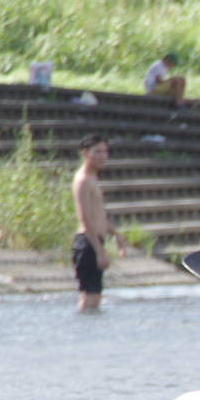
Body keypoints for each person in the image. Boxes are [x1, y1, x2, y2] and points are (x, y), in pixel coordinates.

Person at [70, 134, 125, 312]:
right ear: (85, 153)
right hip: (87, 243)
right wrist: (100, 252)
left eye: (105, 151)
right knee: (89, 297)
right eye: (98, 152)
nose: (103, 156)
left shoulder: (93, 178)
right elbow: (85, 219)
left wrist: (115, 235)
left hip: (94, 241)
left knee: (95, 296)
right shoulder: (83, 180)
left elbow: (98, 216)